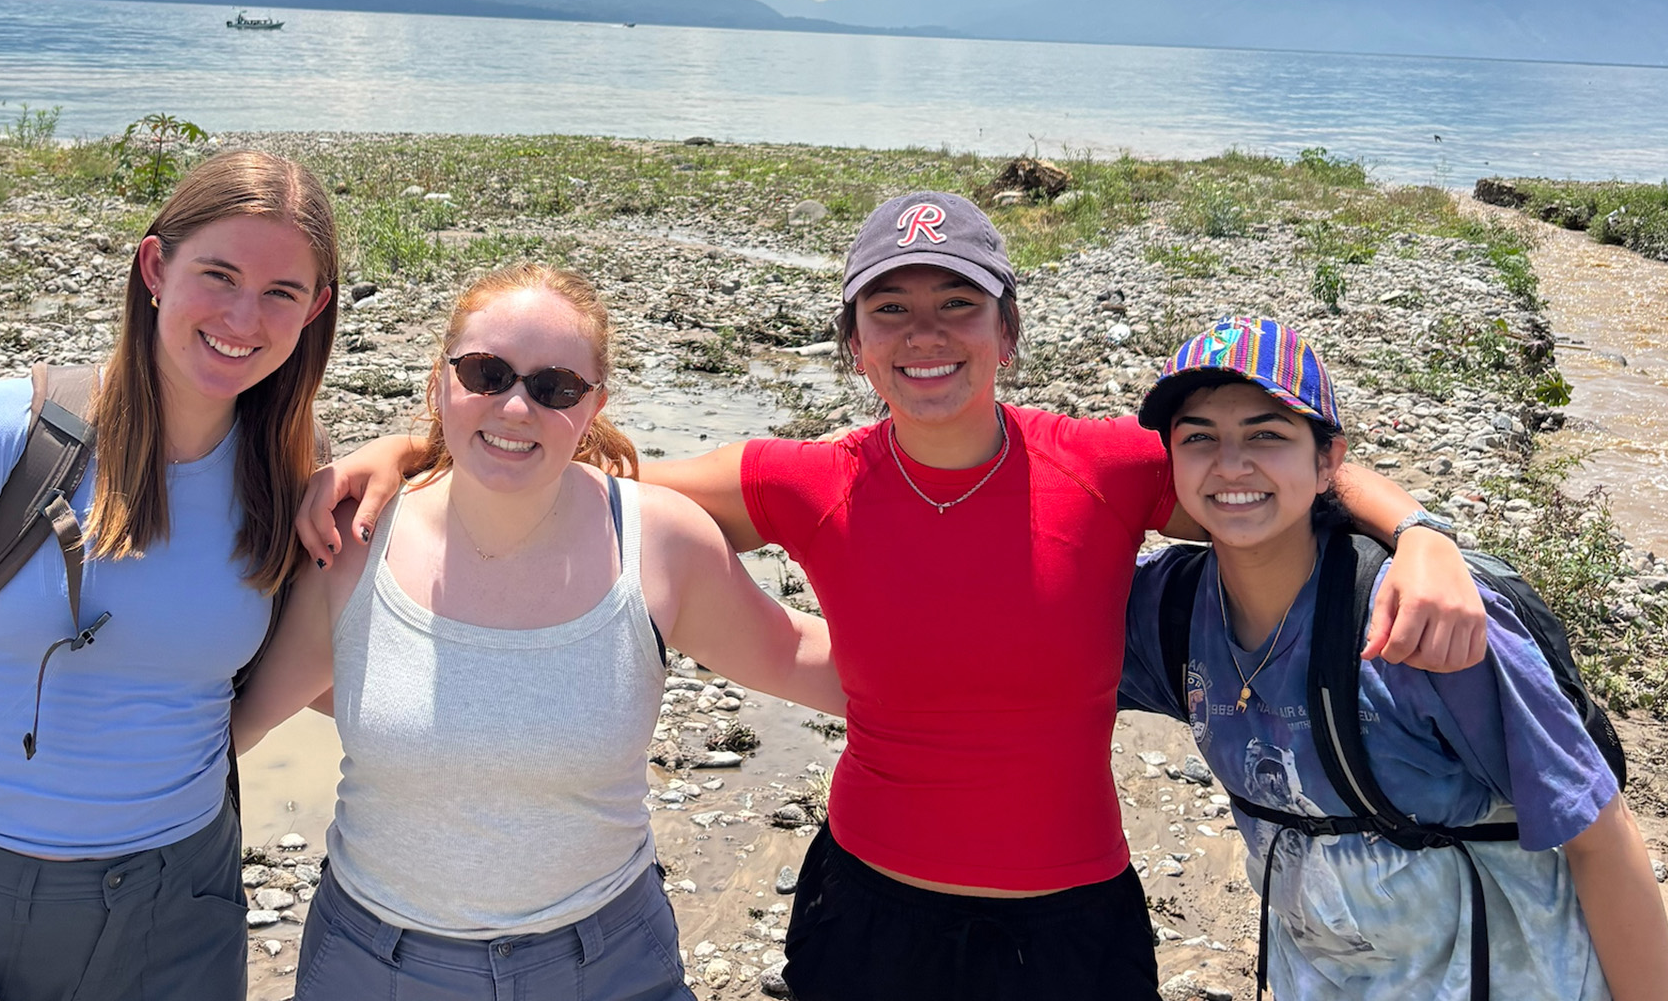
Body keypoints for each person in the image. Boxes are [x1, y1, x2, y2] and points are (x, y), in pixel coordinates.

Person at [297, 191, 1489, 999]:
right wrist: (410, 452)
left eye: (957, 304)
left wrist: (1421, 534)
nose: (927, 335)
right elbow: (561, 469)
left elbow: (1275, 476)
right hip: (868, 916)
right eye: (891, 310)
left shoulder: (1109, 467)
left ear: (1007, 332)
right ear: (855, 344)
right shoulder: (804, 481)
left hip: (1071, 925)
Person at [0, 149, 339, 1001]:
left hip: (183, 917)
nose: (244, 317)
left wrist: (400, 456)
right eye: (219, 274)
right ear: (155, 268)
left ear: (315, 309)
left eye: (281, 291)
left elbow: (335, 689)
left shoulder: (293, 478)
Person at [232, 263, 845, 1000]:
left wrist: (977, 696)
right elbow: (227, 722)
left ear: (594, 407)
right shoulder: (354, 543)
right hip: (376, 963)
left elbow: (800, 656)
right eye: (486, 374)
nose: (516, 407)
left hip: (608, 965)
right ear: (440, 382)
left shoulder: (657, 543)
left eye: (555, 387)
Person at [1118, 317, 1668, 1000]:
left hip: (1511, 975)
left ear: (1328, 462)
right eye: (1199, 437)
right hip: (1322, 976)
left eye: (1267, 434)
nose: (1231, 465)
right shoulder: (1169, 614)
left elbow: (1598, 835)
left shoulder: (1422, 623)